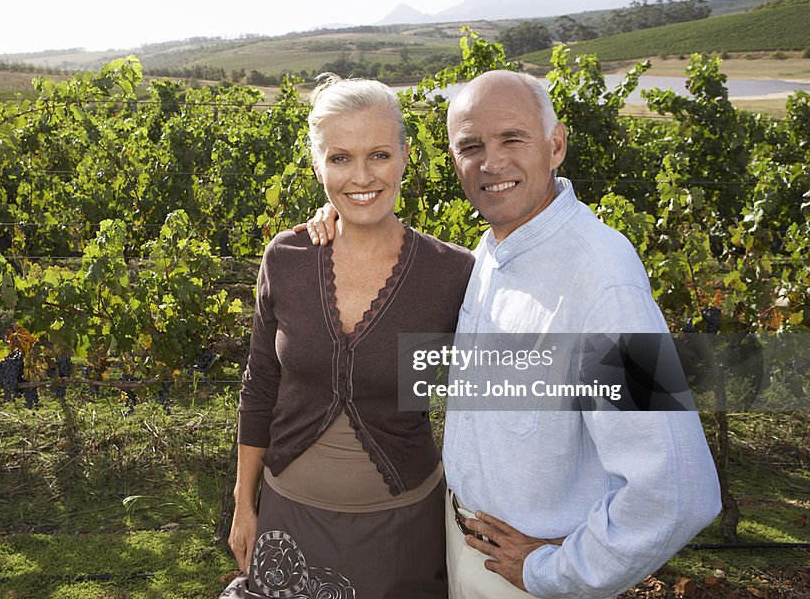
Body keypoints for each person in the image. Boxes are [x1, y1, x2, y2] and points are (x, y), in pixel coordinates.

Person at [303, 69, 721, 599]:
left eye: (512, 139)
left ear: (556, 143)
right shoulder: (488, 255)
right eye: (471, 145)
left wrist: (556, 571)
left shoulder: (601, 280)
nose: (491, 162)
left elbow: (678, 489)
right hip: (465, 548)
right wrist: (339, 216)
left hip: (526, 578)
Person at [229, 74, 474, 598]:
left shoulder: (452, 274)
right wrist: (243, 505)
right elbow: (260, 386)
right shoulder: (288, 259)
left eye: (379, 155)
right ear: (317, 164)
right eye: (339, 158)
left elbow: (499, 393)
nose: (361, 176)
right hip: (286, 524)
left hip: (402, 532)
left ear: (406, 156)